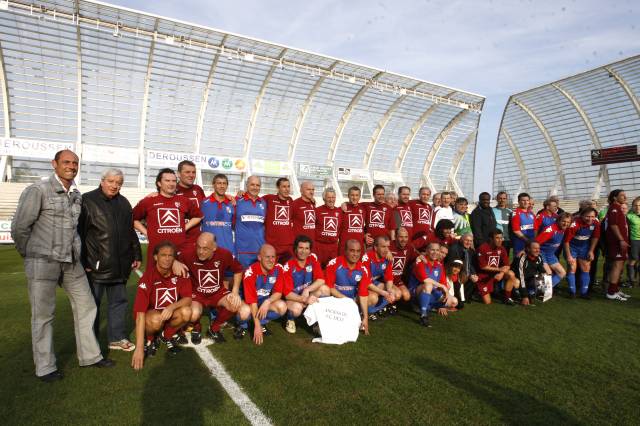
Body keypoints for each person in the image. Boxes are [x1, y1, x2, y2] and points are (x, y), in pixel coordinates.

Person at [11, 150, 114, 382]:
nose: (71, 166)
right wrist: (29, 253)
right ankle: (45, 367)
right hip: (43, 262)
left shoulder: (76, 194)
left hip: (71, 262)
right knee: (43, 316)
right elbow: (19, 227)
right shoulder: (38, 190)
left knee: (87, 306)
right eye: (66, 162)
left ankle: (90, 356)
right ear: (54, 164)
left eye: (75, 163)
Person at [78, 168, 142, 352]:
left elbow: (130, 232)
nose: (114, 186)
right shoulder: (87, 200)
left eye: (118, 183)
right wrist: (84, 262)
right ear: (102, 180)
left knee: (119, 303)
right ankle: (91, 343)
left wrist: (136, 254)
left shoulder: (124, 203)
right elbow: (79, 234)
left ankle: (116, 338)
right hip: (96, 266)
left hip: (121, 264)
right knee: (92, 306)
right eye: (111, 181)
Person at [131, 242, 192, 370]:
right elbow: (140, 314)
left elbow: (187, 298)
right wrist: (139, 348)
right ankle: (150, 339)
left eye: (170, 255)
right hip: (151, 317)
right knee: (156, 319)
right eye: (163, 255)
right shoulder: (147, 278)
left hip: (168, 314)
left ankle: (166, 335)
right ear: (155, 257)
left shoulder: (180, 273)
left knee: (187, 312)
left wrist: (172, 307)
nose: (167, 258)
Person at [180, 233, 249, 344]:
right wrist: (174, 262)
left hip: (217, 292)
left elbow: (238, 269)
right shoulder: (188, 253)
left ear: (214, 247)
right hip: (196, 294)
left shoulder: (224, 254)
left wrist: (235, 291)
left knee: (244, 310)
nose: (201, 251)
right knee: (193, 314)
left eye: (205, 249)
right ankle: (196, 328)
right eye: (198, 247)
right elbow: (172, 258)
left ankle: (214, 328)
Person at [133, 168, 202, 270]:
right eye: (167, 181)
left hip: (179, 251)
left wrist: (184, 227)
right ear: (159, 183)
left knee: (180, 282)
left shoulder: (184, 201)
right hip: (157, 252)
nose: (171, 184)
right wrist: (147, 232)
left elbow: (199, 216)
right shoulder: (148, 201)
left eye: (174, 181)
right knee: (155, 283)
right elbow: (133, 219)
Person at [241, 244, 288, 345]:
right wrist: (257, 327)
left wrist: (267, 301)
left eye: (273, 257)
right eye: (267, 257)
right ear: (259, 257)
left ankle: (261, 322)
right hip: (248, 303)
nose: (271, 260)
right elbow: (252, 302)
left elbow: (278, 293)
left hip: (262, 302)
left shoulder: (278, 268)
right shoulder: (250, 272)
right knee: (244, 312)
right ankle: (243, 325)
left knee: (282, 307)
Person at [282, 235, 328, 333]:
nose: (303, 251)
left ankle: (317, 321)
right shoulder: (288, 266)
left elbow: (321, 279)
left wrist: (307, 290)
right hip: (294, 299)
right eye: (301, 248)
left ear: (310, 250)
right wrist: (305, 299)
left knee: (324, 289)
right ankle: (290, 319)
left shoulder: (312, 259)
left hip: (307, 295)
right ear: (295, 249)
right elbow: (287, 294)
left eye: (307, 248)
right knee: (296, 309)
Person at [324, 239, 371, 335]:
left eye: (358, 251)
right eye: (352, 250)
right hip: (334, 300)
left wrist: (366, 317)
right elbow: (330, 288)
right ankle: (322, 320)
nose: (355, 254)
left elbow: (363, 294)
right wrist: (347, 301)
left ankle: (360, 316)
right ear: (345, 251)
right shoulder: (334, 264)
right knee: (323, 289)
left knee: (372, 297)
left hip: (351, 302)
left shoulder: (362, 269)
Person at [408, 242, 457, 327]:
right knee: (428, 285)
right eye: (432, 250)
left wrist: (446, 294)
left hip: (431, 292)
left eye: (437, 250)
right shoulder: (420, 262)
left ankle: (427, 307)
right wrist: (442, 286)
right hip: (416, 292)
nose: (435, 252)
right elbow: (426, 280)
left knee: (453, 301)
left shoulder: (439, 265)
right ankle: (423, 315)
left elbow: (443, 283)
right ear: (427, 251)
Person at [564, 208, 600, 299]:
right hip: (572, 247)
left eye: (592, 216)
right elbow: (566, 241)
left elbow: (595, 237)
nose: (590, 219)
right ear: (582, 215)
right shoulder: (574, 224)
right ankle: (572, 292)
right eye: (587, 216)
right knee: (572, 268)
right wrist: (568, 255)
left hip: (584, 247)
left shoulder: (595, 223)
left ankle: (584, 293)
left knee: (586, 268)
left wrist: (591, 251)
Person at [476, 230, 520, 305]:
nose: (500, 240)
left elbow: (507, 265)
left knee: (512, 275)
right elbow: (483, 267)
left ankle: (507, 298)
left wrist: (501, 273)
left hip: (496, 274)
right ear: (491, 239)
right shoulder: (482, 248)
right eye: (497, 238)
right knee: (488, 302)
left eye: (501, 238)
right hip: (483, 276)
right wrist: (499, 269)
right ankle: (477, 292)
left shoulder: (502, 249)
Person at [362, 235, 400, 319]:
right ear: (375, 247)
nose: (387, 250)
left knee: (396, 294)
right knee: (373, 298)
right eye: (383, 247)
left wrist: (389, 291)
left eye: (388, 247)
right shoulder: (366, 258)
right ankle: (363, 310)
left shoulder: (387, 258)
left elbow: (389, 278)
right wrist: (384, 293)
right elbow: (366, 282)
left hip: (374, 283)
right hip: (362, 285)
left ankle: (373, 310)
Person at [604, 190, 631, 301]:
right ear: (615, 198)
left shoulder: (618, 208)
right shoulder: (614, 208)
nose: (625, 197)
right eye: (622, 195)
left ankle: (615, 289)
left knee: (619, 265)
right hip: (616, 242)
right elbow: (613, 225)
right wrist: (621, 240)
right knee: (616, 265)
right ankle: (611, 292)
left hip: (621, 242)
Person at [235, 176, 267, 268]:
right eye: (252, 184)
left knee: (258, 280)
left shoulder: (263, 202)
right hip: (242, 251)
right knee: (243, 279)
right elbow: (232, 223)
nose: (255, 187)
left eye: (258, 185)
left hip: (260, 250)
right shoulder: (237, 201)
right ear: (246, 185)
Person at [200, 173, 236, 255]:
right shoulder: (204, 203)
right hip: (208, 250)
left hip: (227, 249)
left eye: (224, 183)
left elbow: (234, 226)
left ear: (227, 185)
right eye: (219, 183)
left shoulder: (232, 204)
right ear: (213, 185)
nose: (222, 186)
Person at [535, 213, 572, 292]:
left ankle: (545, 290)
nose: (566, 224)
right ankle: (533, 291)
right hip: (541, 253)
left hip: (550, 254)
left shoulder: (564, 229)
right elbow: (536, 243)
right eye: (563, 221)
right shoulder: (550, 230)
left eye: (568, 222)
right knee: (547, 273)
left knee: (562, 272)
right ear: (558, 221)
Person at [175, 160, 207, 243]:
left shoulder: (198, 189)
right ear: (178, 174)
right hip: (177, 238)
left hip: (197, 239)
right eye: (187, 172)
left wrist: (225, 196)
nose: (191, 175)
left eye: (193, 172)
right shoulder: (171, 190)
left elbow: (208, 205)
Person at [446, 232, 478, 305]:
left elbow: (471, 264)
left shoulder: (471, 251)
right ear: (461, 239)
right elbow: (452, 265)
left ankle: (465, 298)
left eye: (470, 241)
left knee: (474, 278)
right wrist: (468, 274)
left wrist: (473, 274)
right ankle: (458, 297)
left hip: (465, 273)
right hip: (455, 273)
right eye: (466, 240)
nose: (468, 242)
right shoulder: (454, 249)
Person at [315, 188, 343, 267]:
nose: (331, 200)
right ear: (324, 198)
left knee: (332, 270)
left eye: (333, 197)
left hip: (333, 247)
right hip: (319, 247)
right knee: (317, 271)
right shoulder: (317, 211)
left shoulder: (340, 212)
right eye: (329, 197)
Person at [389, 227, 416, 301]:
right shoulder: (388, 246)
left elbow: (417, 257)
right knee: (398, 294)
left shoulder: (409, 248)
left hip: (397, 280)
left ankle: (393, 301)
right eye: (401, 237)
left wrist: (420, 257)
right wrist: (386, 251)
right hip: (386, 279)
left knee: (407, 296)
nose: (404, 239)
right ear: (395, 237)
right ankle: (386, 305)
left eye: (406, 237)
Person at [511, 192, 535, 257]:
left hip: (531, 244)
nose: (525, 202)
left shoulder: (531, 213)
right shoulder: (516, 213)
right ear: (519, 201)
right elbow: (516, 231)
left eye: (527, 200)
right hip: (520, 244)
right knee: (520, 264)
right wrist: (527, 240)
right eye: (523, 200)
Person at [626, 197, 640, 287]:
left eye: (639, 205)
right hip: (634, 240)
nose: (638, 207)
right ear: (632, 206)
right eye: (635, 205)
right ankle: (631, 280)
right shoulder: (629, 216)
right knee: (633, 260)